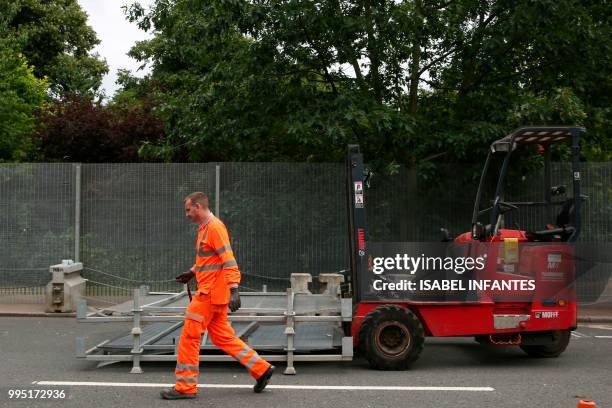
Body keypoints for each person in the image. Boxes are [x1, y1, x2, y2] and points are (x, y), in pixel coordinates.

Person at [160, 192, 274, 400]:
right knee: (223, 338)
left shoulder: (214, 227)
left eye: (188, 210)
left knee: (188, 338)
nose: (186, 215)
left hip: (209, 295)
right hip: (215, 294)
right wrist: (193, 272)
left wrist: (234, 289)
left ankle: (185, 387)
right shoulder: (206, 228)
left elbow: (228, 259)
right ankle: (261, 369)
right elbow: (209, 259)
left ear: (198, 206)